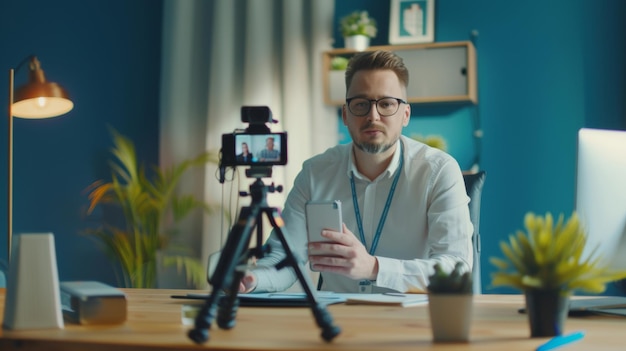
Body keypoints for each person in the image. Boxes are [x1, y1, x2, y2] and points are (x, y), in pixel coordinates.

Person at [239, 50, 473, 294]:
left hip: (409, 322)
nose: (373, 116)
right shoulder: (315, 173)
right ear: (345, 114)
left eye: (386, 104)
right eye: (360, 104)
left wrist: (374, 267)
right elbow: (284, 257)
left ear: (405, 115)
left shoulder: (438, 171)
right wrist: (251, 280)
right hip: (336, 321)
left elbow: (456, 268)